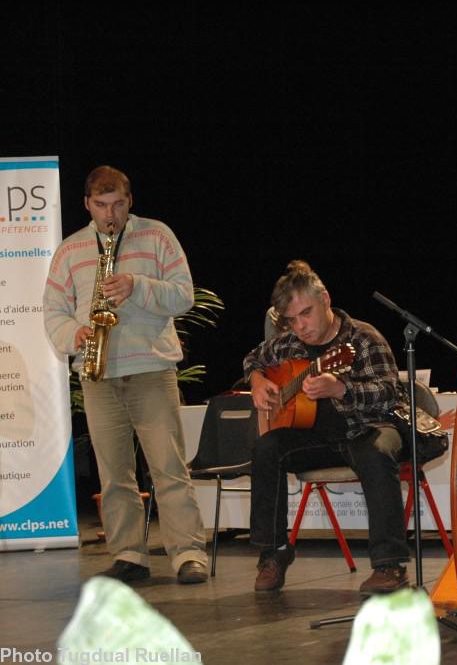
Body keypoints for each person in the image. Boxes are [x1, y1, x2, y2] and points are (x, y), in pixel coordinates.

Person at [44, 165, 209, 584]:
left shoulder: (157, 236)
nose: (109, 214)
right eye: (101, 205)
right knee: (114, 473)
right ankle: (129, 554)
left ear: (129, 201)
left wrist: (139, 285)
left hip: (151, 367)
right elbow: (54, 312)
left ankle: (189, 553)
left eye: (117, 203)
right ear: (87, 204)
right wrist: (73, 333)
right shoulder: (69, 251)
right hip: (98, 374)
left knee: (168, 467)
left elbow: (184, 295)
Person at [243, 260, 409, 593]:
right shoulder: (286, 344)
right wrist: (258, 381)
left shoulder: (363, 338)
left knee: (377, 453)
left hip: (368, 426)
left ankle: (389, 567)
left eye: (306, 313)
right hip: (318, 439)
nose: (300, 326)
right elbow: (253, 359)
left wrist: (342, 389)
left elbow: (390, 393)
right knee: (266, 448)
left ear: (326, 300)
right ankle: (273, 553)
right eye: (292, 320)